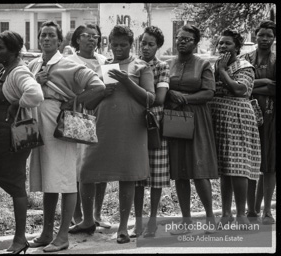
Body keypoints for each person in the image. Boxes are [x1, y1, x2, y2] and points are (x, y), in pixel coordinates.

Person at [27, 21, 105, 252]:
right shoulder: (33, 64)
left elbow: (98, 86)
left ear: (60, 41)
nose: (47, 39)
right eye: (43, 35)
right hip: (38, 122)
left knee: (66, 180)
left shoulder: (68, 64)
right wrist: (35, 82)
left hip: (59, 124)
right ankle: (46, 233)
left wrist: (76, 101)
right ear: (39, 39)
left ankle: (63, 237)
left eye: (52, 35)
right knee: (49, 180)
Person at [74, 24, 155, 244]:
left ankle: (123, 228)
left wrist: (126, 81)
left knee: (127, 175)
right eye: (114, 44)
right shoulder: (102, 67)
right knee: (86, 171)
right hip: (101, 128)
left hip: (130, 130)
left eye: (123, 45)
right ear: (108, 44)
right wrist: (102, 92)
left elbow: (150, 99)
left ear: (131, 45)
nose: (118, 48)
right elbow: (87, 102)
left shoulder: (141, 67)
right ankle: (88, 220)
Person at [0, 30, 44, 254]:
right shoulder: (5, 71)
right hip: (0, 137)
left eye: (0, 48)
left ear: (15, 51)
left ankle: (19, 239)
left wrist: (18, 103)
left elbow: (35, 94)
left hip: (13, 140)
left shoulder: (18, 72)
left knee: (16, 186)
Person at [165, 25, 218, 234]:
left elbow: (209, 93)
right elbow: (162, 87)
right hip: (175, 118)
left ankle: (210, 217)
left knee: (199, 169)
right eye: (179, 38)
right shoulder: (168, 64)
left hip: (197, 118)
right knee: (180, 171)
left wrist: (185, 98)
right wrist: (170, 95)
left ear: (195, 43)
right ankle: (186, 220)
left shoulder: (203, 64)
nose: (181, 42)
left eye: (187, 39)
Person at [209, 29, 260, 227]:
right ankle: (225, 213)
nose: (222, 46)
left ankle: (241, 214)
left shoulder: (245, 66)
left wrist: (222, 72)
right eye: (220, 43)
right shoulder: (214, 65)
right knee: (225, 168)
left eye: (227, 43)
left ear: (237, 48)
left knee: (238, 166)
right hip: (219, 118)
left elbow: (240, 89)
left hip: (238, 118)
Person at [65, 23, 111, 229]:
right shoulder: (69, 61)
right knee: (77, 166)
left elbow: (110, 88)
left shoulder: (105, 61)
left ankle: (96, 213)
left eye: (96, 36)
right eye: (87, 35)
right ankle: (77, 214)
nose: (92, 39)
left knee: (100, 165)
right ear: (77, 39)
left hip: (102, 116)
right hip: (79, 115)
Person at [130, 25, 170, 238]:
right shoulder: (132, 65)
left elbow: (160, 98)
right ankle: (137, 221)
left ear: (158, 46)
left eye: (150, 44)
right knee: (137, 176)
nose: (145, 47)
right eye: (143, 43)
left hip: (155, 123)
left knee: (156, 174)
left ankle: (152, 220)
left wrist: (139, 95)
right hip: (134, 123)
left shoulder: (162, 67)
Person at [242, 20, 276, 225]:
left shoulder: (275, 59)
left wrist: (252, 86)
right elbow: (240, 87)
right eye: (261, 35)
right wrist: (264, 84)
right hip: (248, 117)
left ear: (274, 38)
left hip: (271, 116)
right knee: (250, 164)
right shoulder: (246, 59)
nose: (264, 39)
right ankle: (251, 209)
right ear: (255, 36)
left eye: (269, 36)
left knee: (270, 165)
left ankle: (267, 211)